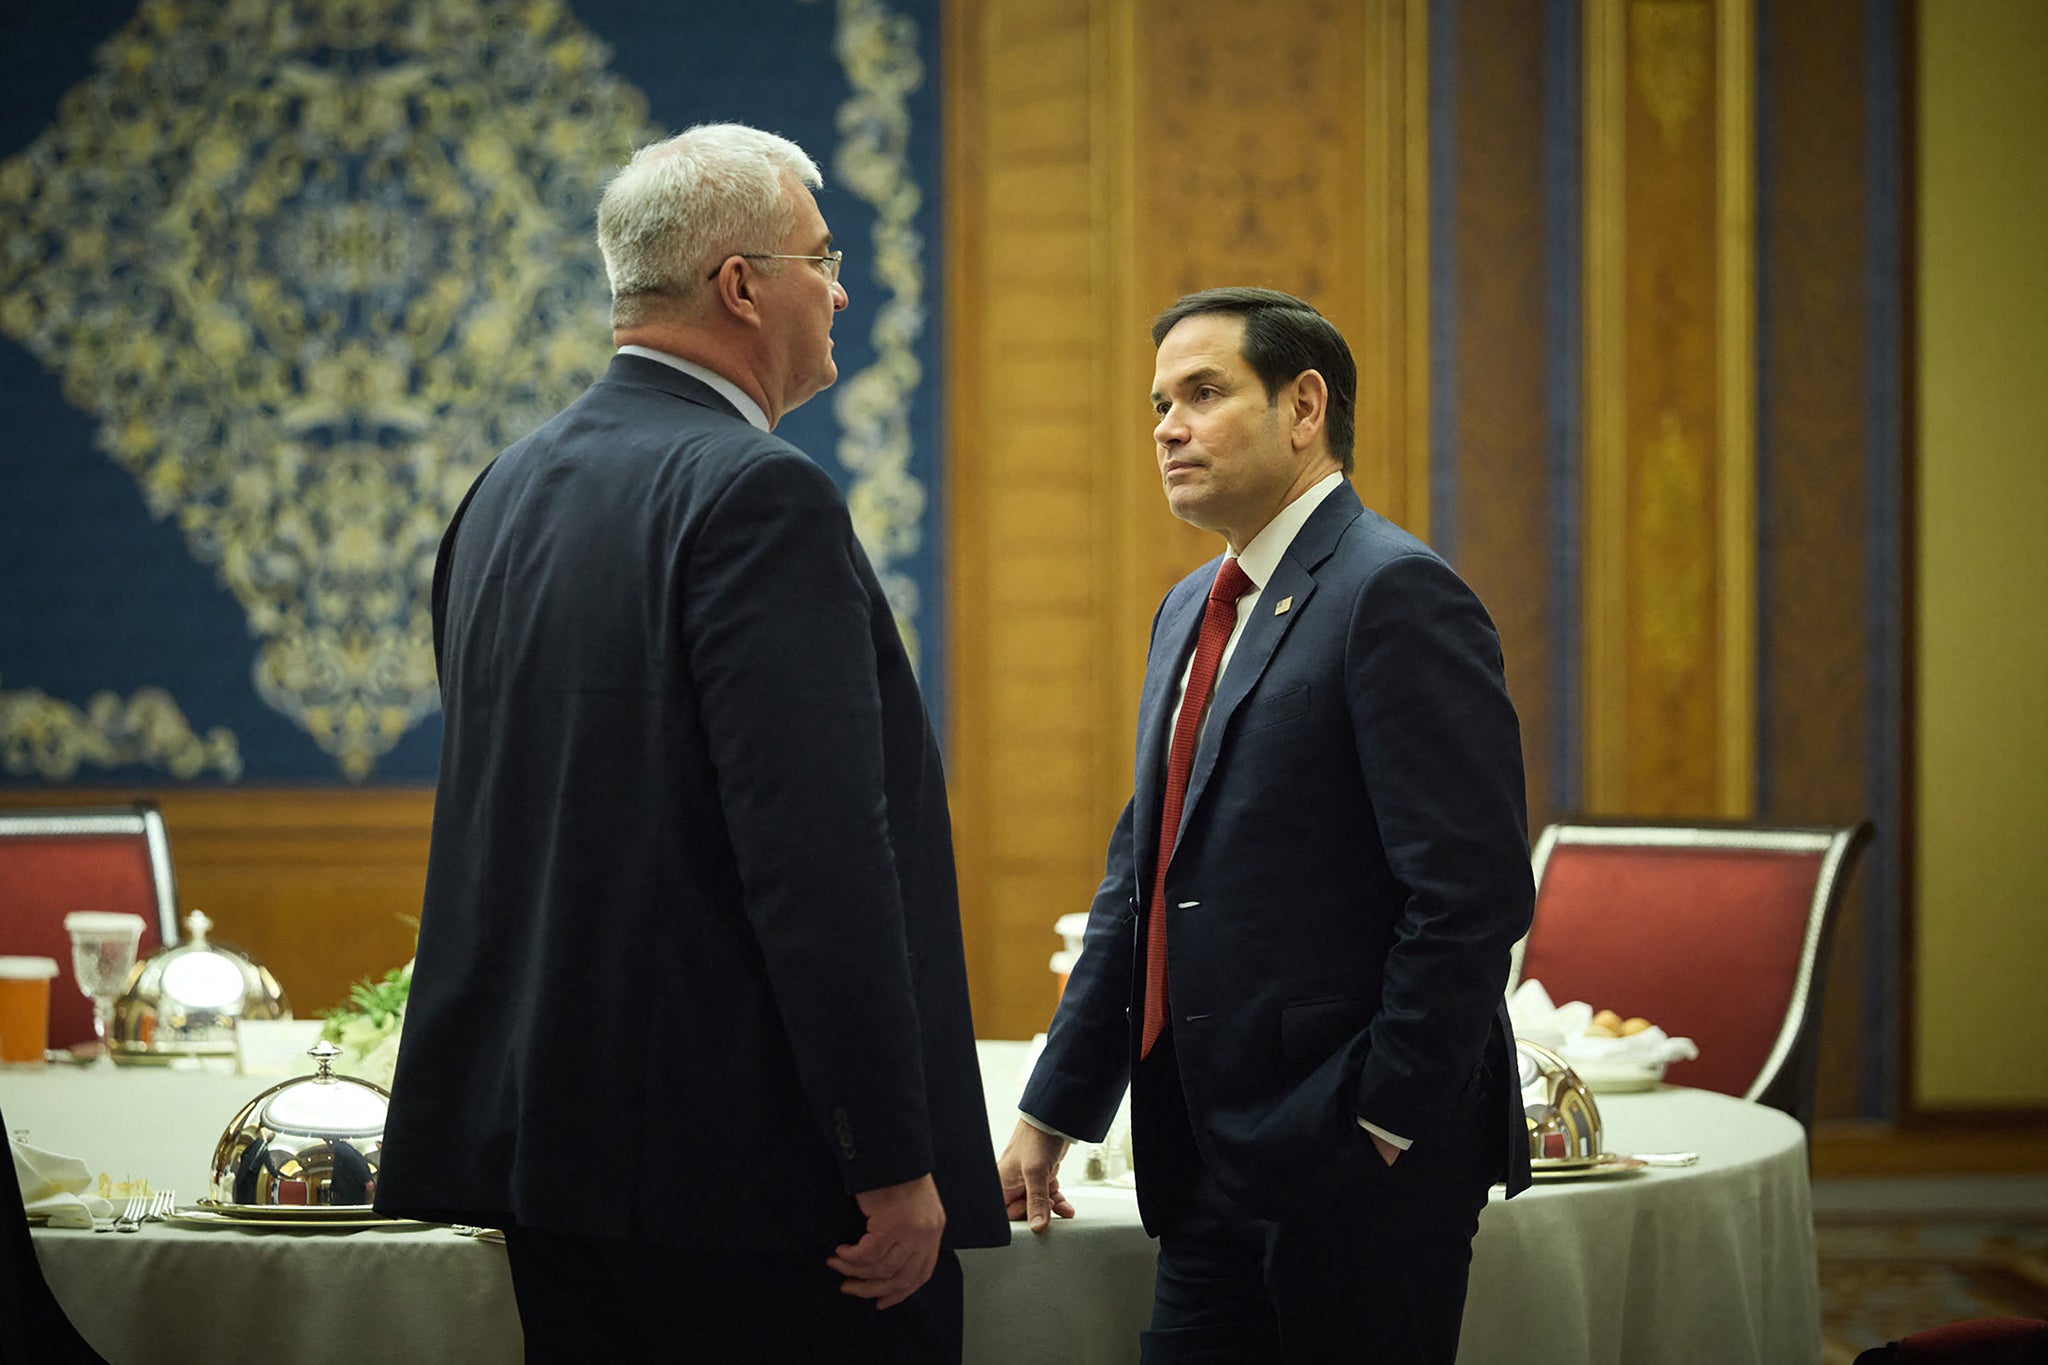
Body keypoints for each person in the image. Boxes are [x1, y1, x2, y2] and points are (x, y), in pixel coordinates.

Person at [376, 123, 1006, 1363]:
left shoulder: (503, 488)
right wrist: (890, 1160)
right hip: (751, 1195)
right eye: (821, 258)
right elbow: (816, 859)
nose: (838, 288)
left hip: (552, 1164)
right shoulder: (756, 494)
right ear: (739, 284)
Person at [997, 287, 1535, 1363]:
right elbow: (1143, 879)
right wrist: (1052, 1110)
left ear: (1302, 407)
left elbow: (1468, 898)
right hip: (1210, 1154)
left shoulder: (1395, 594)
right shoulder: (1191, 604)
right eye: (1158, 403)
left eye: (1202, 393)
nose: (1165, 426)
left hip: (1353, 1165)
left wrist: (1383, 1122)